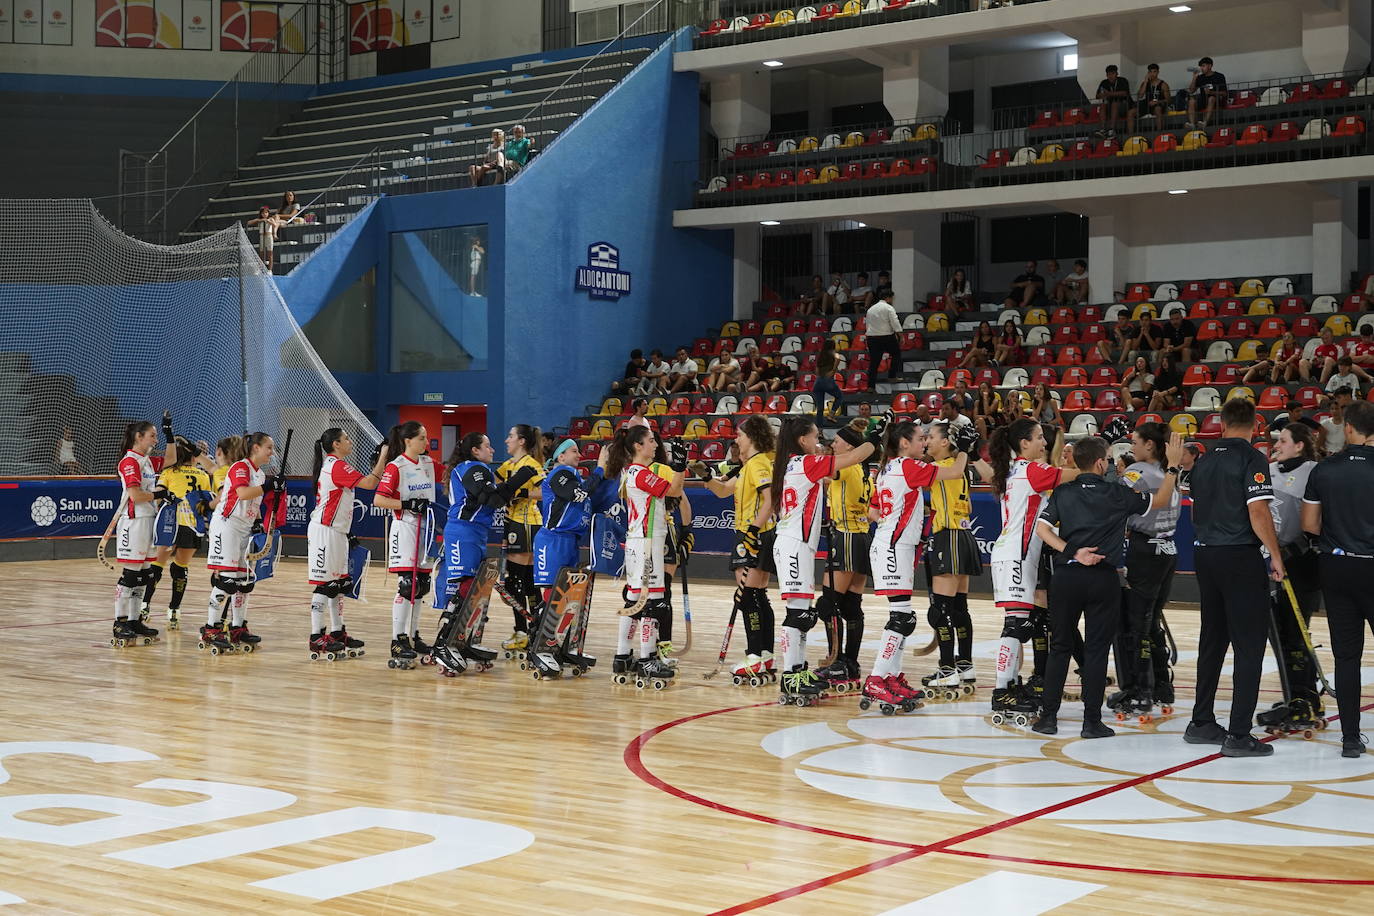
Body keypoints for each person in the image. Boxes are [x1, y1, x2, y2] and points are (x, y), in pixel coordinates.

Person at [1031, 433, 1184, 737]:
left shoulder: (1063, 492)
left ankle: (1048, 718)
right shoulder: (1117, 493)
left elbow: (1042, 528)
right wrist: (1173, 467)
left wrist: (1072, 551)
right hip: (1103, 578)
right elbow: (1163, 499)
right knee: (1097, 650)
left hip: (1066, 577)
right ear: (1102, 463)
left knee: (1060, 647)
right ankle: (1091, 723)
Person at [1185, 397, 1284, 757]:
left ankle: (1201, 722)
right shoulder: (1252, 458)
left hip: (1205, 553)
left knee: (1212, 638)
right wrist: (1275, 554)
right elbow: (1257, 511)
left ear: (1221, 425)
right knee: (1248, 644)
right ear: (1256, 426)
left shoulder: (1204, 461)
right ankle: (1239, 734)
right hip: (1239, 556)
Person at [770, 416, 879, 703]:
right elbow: (855, 455)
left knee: (804, 613)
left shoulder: (797, 463)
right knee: (798, 613)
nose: (821, 443)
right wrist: (874, 439)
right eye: (816, 437)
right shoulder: (804, 463)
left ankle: (798, 670)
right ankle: (791, 674)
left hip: (802, 545)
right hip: (794, 543)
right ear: (802, 440)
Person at [864, 419, 969, 712]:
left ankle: (890, 677)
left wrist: (897, 517)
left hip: (894, 545)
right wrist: (965, 449)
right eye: (920, 438)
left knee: (903, 617)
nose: (924, 442)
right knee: (901, 620)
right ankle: (876, 677)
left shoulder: (887, 469)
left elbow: (873, 511)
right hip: (894, 548)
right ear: (904, 443)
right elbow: (955, 471)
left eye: (926, 437)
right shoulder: (908, 466)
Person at [988, 418, 1082, 721]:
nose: (1044, 443)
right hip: (1016, 555)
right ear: (1024, 443)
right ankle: (1002, 690)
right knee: (1015, 627)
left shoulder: (1016, 469)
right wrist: (1095, 461)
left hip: (1015, 554)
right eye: (1039, 437)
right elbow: (1075, 474)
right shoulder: (1031, 470)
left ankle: (1010, 685)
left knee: (1017, 624)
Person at [1301, 400, 1374, 757]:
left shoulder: (1324, 470)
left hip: (1337, 566)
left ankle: (1349, 738)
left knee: (1347, 657)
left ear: (1348, 428)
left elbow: (1309, 525)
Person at [695, 415, 777, 681]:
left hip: (753, 534)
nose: (736, 439)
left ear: (751, 437)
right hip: (755, 533)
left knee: (748, 597)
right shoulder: (750, 465)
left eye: (740, 435)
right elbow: (722, 491)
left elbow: (770, 499)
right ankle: (764, 654)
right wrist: (706, 476)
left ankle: (755, 654)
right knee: (758, 595)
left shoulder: (758, 464)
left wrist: (752, 530)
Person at [1109, 422, 1183, 718]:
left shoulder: (1137, 471)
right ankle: (1162, 684)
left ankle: (1140, 690)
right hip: (1167, 549)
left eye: (1136, 442)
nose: (1132, 447)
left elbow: (1114, 501)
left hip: (1144, 550)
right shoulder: (1168, 474)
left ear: (1149, 445)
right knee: (1151, 620)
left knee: (1135, 622)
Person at [606, 425, 686, 687]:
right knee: (651, 602)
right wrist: (680, 466)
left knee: (633, 600)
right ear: (638, 446)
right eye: (651, 441)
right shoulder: (640, 473)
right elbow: (674, 490)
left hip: (640, 541)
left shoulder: (635, 472)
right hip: (646, 543)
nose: (655, 444)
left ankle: (622, 655)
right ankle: (646, 659)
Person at [1257, 424, 1324, 733]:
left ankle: (1304, 697)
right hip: (1273, 558)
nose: (1277, 445)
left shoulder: (1313, 472)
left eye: (1283, 441)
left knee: (1297, 631)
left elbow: (1316, 525)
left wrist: (1290, 552)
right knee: (1279, 631)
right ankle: (1294, 693)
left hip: (1300, 562)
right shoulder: (1268, 470)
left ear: (1299, 446)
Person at [527, 439, 608, 677]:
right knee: (552, 597)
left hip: (571, 542)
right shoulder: (559, 474)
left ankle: (558, 645)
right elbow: (578, 494)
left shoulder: (576, 477)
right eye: (574, 451)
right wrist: (601, 469)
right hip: (552, 540)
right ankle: (539, 648)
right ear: (560, 456)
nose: (579, 454)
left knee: (568, 600)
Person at [922, 422, 992, 695]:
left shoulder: (943, 467)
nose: (926, 441)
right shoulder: (958, 469)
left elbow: (951, 473)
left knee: (941, 609)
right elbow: (970, 504)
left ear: (944, 443)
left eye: (930, 437)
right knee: (960, 607)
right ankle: (964, 665)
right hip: (963, 535)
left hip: (948, 535)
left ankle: (947, 668)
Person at [306, 429, 388, 661]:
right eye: (347, 438)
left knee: (338, 584)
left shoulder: (337, 465)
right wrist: (383, 456)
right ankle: (315, 636)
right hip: (325, 531)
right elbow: (371, 483)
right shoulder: (337, 466)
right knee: (325, 585)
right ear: (336, 444)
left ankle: (337, 631)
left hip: (338, 531)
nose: (350, 441)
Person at [431, 432, 508, 674]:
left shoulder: (476, 468)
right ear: (475, 450)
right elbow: (492, 498)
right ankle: (443, 645)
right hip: (463, 532)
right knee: (461, 588)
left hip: (475, 532)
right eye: (488, 445)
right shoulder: (471, 467)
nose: (492, 450)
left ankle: (459, 641)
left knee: (472, 589)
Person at [815, 421, 876, 692]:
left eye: (837, 441)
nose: (833, 445)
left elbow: (827, 473)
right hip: (862, 537)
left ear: (850, 446)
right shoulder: (863, 471)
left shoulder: (847, 467)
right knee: (852, 606)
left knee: (829, 604)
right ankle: (850, 662)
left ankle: (837, 660)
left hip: (846, 536)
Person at [205, 430, 276, 654]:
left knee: (244, 582)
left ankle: (237, 627)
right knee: (226, 581)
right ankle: (211, 628)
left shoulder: (260, 474)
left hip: (244, 529)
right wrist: (268, 486)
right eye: (269, 448)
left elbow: (253, 505)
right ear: (256, 448)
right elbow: (243, 493)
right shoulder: (240, 467)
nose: (271, 453)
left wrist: (258, 524)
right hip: (227, 526)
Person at [373, 422, 437, 668]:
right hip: (406, 528)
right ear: (408, 441)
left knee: (421, 586)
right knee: (407, 585)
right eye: (421, 438)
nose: (426, 442)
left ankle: (413, 635)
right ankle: (397, 640)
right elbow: (379, 499)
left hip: (426, 530)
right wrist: (407, 504)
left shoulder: (428, 463)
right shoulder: (396, 466)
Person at [111, 416, 177, 647]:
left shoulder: (147, 461)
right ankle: (120, 622)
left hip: (149, 520)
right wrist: (160, 494)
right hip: (134, 521)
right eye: (153, 435)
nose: (155, 439)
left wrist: (169, 433)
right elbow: (136, 496)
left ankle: (134, 620)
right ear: (139, 437)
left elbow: (171, 459)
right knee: (130, 575)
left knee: (145, 575)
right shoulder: (130, 462)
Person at [148, 436, 214, 631]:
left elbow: (159, 496)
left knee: (157, 565)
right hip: (192, 524)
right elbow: (206, 501)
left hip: (171, 522)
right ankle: (174, 610)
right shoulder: (203, 475)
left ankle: (144, 605)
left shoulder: (169, 471)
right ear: (193, 457)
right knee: (180, 568)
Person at [495, 424, 546, 653]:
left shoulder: (531, 465)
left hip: (526, 523)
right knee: (523, 581)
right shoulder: (509, 465)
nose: (507, 440)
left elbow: (546, 492)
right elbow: (494, 485)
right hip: (513, 521)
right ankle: (533, 629)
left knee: (520, 580)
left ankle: (525, 631)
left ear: (522, 441)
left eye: (511, 436)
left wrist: (521, 493)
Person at [865, 287, 904, 388]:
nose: (892, 300)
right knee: (896, 354)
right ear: (888, 298)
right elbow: (895, 322)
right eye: (891, 298)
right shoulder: (888, 308)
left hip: (872, 337)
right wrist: (900, 336)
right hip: (886, 336)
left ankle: (870, 386)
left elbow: (867, 325)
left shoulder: (871, 309)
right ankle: (892, 376)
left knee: (874, 363)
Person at [1186, 57, 1228, 128]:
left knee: (1211, 98)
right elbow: (1191, 90)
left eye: (1203, 66)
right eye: (1201, 66)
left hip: (1215, 101)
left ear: (1210, 66)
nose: (1201, 68)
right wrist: (1194, 78)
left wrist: (1212, 93)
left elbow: (1224, 93)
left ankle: (1204, 122)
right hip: (1203, 100)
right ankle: (1192, 124)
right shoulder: (1200, 77)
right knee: (1191, 101)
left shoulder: (1219, 76)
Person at [1129, 63, 1171, 130]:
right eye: (1150, 72)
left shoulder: (1163, 84)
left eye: (1154, 72)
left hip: (1159, 104)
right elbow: (1140, 96)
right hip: (1147, 104)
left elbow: (1168, 100)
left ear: (1158, 72)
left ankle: (1159, 133)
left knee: (1158, 109)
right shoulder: (1145, 83)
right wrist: (1145, 82)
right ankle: (1130, 136)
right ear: (1148, 73)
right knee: (1131, 112)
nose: (1152, 74)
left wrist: (1157, 102)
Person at [1096, 65, 1131, 137]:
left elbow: (1125, 93)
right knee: (1102, 105)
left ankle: (1112, 129)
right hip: (1109, 107)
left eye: (1113, 74)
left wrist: (1109, 94)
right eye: (1109, 74)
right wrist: (1103, 94)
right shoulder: (1104, 82)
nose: (1110, 76)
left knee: (1115, 104)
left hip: (1124, 106)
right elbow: (1097, 96)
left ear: (1117, 74)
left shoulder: (1122, 80)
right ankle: (1103, 129)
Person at [813, 338, 844, 420]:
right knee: (839, 397)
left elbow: (816, 371)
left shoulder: (820, 356)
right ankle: (831, 415)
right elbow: (836, 362)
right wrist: (833, 371)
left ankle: (819, 430)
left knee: (820, 409)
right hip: (827, 381)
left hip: (818, 382)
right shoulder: (834, 354)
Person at [245, 205, 282, 271]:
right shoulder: (260, 220)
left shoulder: (270, 219)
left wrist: (268, 221)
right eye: (263, 213)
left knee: (270, 253)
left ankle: (270, 270)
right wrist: (258, 220)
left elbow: (275, 225)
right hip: (262, 236)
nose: (265, 214)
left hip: (269, 236)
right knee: (261, 254)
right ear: (261, 214)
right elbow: (248, 223)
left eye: (266, 212)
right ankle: (261, 269)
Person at [1320, 387, 1353, 453]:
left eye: (1338, 398)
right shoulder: (1347, 411)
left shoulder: (1360, 409)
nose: (1337, 400)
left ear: (1346, 397)